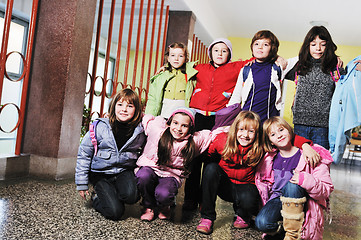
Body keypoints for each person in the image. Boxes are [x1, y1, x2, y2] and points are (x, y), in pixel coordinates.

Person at [197, 111, 320, 235]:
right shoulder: (222, 140)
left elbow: (285, 138)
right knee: (211, 168)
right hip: (225, 186)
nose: (245, 135)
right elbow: (208, 153)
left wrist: (305, 145)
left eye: (251, 131)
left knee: (250, 194)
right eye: (241, 130)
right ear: (235, 130)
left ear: (256, 134)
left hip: (246, 188)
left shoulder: (260, 145)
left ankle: (243, 215)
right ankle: (207, 218)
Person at [184, 38, 255, 210]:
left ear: (229, 53)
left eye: (224, 51)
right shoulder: (200, 68)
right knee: (194, 159)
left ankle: (205, 200)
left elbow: (255, 59)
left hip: (220, 118)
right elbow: (181, 68)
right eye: (216, 50)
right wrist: (166, 67)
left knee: (211, 160)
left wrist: (280, 60)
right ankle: (190, 199)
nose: (220, 54)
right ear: (210, 53)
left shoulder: (235, 67)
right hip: (199, 116)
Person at [135, 107, 222, 221]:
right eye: (175, 123)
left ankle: (164, 205)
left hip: (171, 175)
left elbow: (211, 135)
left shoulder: (194, 141)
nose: (178, 128)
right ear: (169, 123)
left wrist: (227, 129)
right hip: (151, 167)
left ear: (190, 128)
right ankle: (148, 205)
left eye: (184, 126)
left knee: (164, 194)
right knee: (143, 176)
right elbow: (146, 119)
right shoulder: (158, 131)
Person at [255, 116, 334, 240]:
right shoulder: (269, 159)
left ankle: (293, 234)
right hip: (277, 199)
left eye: (281, 130)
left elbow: (326, 190)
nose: (279, 135)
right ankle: (283, 229)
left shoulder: (309, 155)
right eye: (273, 134)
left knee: (292, 185)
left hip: (303, 202)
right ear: (270, 141)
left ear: (289, 130)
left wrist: (305, 180)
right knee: (262, 223)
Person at [75, 89, 146, 220]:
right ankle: (97, 198)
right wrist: (82, 183)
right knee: (115, 212)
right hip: (100, 174)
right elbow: (84, 154)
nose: (124, 109)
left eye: (129, 106)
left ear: (137, 110)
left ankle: (112, 193)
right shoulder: (100, 127)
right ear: (113, 107)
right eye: (120, 105)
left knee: (132, 196)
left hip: (122, 171)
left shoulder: (140, 131)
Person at [284, 26, 345, 149]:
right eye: (313, 44)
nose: (318, 48)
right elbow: (278, 68)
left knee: (320, 162)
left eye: (323, 44)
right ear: (307, 46)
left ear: (328, 46)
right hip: (300, 122)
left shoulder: (334, 69)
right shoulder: (299, 66)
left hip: (324, 125)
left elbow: (348, 85)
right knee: (300, 162)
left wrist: (334, 59)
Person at [227, 30, 283, 123]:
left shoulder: (278, 68)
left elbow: (299, 59)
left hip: (269, 123)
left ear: (272, 48)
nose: (260, 47)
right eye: (256, 44)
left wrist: (279, 57)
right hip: (247, 122)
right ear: (252, 47)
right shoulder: (246, 69)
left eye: (265, 44)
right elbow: (236, 97)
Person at [145, 42, 198, 119]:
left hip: (182, 114)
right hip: (164, 112)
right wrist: (148, 117)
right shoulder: (161, 76)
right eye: (173, 55)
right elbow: (152, 98)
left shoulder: (191, 74)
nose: (176, 59)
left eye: (180, 56)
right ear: (168, 58)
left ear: (185, 58)